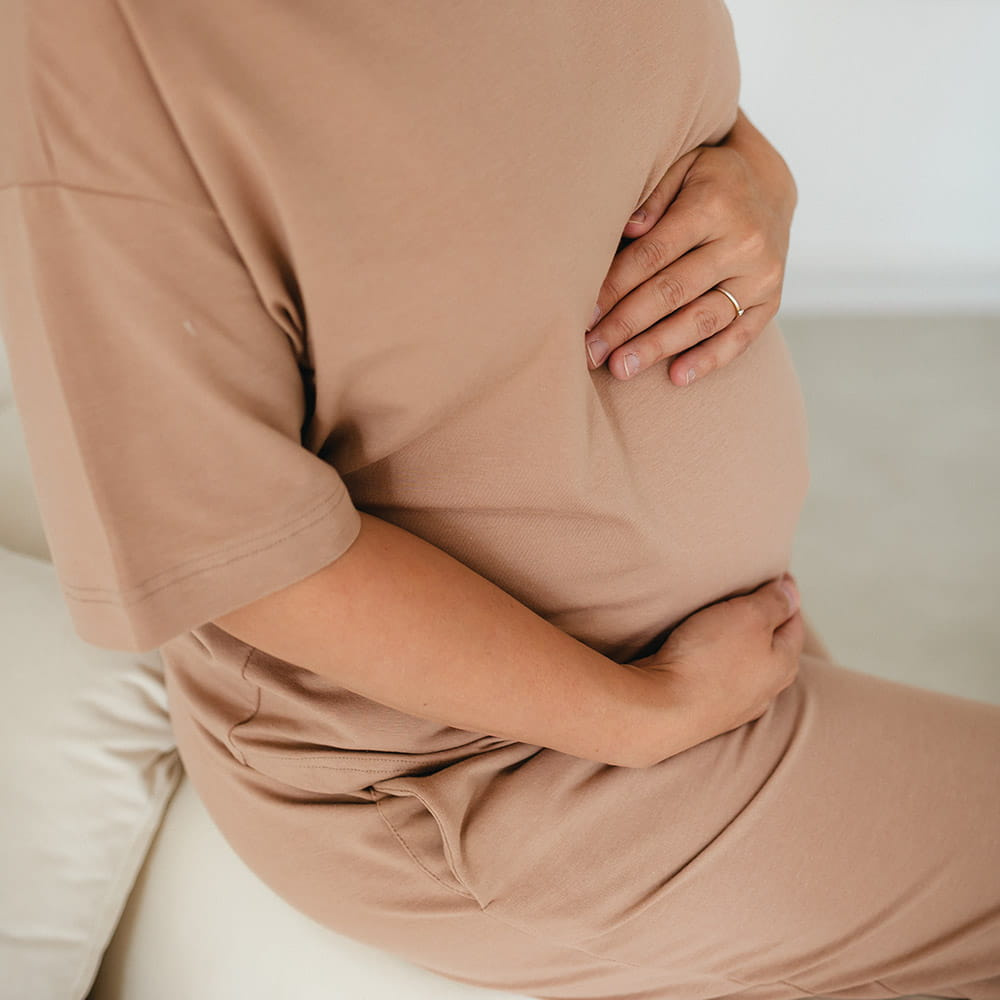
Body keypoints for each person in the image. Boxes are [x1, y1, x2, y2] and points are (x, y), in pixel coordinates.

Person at [2, 2, 997, 999]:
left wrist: (758, 181)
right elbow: (235, 554)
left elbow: (606, 120)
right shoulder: (105, 46)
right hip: (482, 768)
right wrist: (641, 714)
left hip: (702, 641)